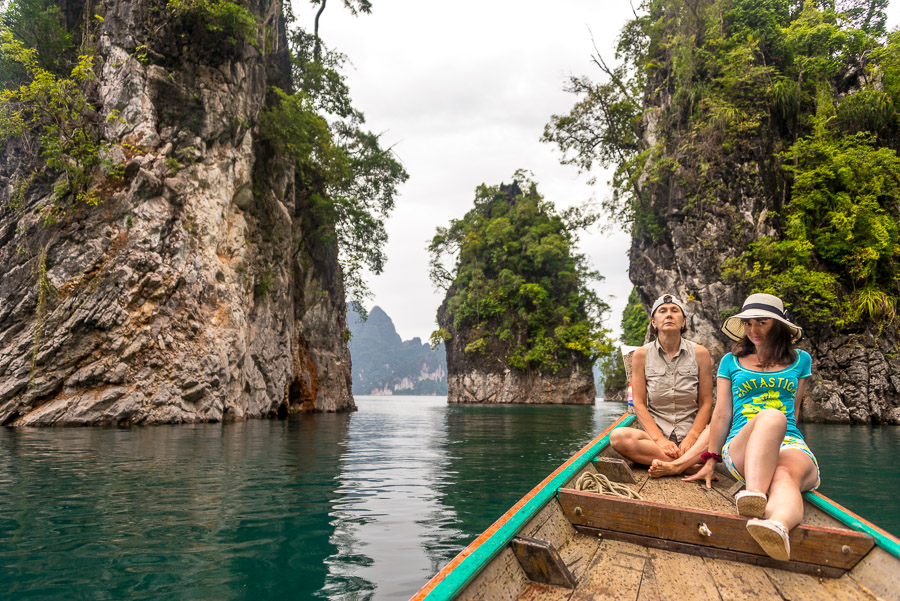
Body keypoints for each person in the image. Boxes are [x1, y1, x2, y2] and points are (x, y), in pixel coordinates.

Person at [684, 293, 819, 562]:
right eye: (748, 323)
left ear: (778, 325)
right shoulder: (730, 363)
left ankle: (777, 526)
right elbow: (722, 414)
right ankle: (755, 495)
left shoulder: (801, 360)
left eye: (762, 322)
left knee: (783, 475)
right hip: (742, 445)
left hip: (789, 442)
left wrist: (785, 446)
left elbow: (795, 410)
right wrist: (710, 459)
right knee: (772, 416)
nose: (753, 330)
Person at [609, 294, 713, 466]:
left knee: (723, 432)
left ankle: (675, 464)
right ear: (653, 322)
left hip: (693, 436)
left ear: (683, 322)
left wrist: (693, 436)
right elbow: (639, 402)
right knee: (618, 437)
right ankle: (687, 466)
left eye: (674, 310)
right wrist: (659, 440)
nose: (669, 315)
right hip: (655, 437)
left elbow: (706, 402)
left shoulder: (700, 353)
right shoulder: (641, 355)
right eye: (662, 311)